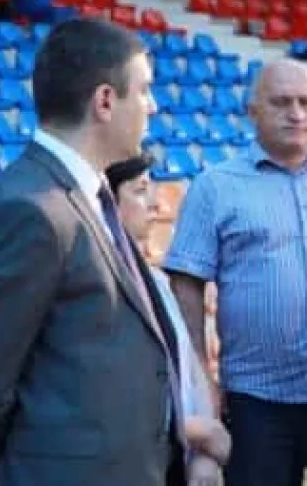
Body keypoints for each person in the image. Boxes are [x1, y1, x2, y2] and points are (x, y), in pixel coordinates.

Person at [0, 18, 185, 486]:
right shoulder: (33, 209)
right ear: (105, 101)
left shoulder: (87, 196)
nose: (152, 105)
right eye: (144, 90)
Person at [163, 58, 307, 486]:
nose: (296, 114)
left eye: (306, 102)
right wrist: (200, 376)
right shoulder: (216, 186)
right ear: (252, 112)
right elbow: (187, 284)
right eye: (281, 102)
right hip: (256, 399)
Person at [104, 153, 232, 485]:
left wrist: (202, 455)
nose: (155, 204)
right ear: (107, 202)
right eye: (139, 190)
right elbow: (109, 400)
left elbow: (190, 375)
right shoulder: (99, 290)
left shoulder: (158, 283)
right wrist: (196, 431)